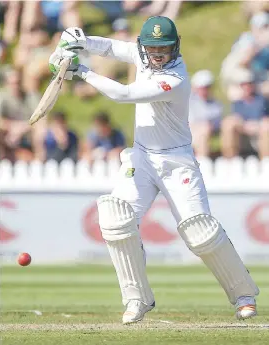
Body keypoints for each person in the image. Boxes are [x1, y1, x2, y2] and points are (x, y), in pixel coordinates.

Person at [49, 17, 259, 324]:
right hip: (142, 158)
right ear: (144, 47)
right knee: (115, 217)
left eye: (164, 48)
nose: (158, 54)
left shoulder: (175, 79)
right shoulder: (140, 53)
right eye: (152, 48)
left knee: (200, 231)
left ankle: (243, 295)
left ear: (176, 47)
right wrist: (77, 39)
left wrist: (81, 70)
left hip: (177, 162)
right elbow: (109, 46)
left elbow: (124, 94)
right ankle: (137, 298)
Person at [221, 70, 269, 159]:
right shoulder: (237, 103)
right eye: (244, 84)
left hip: (259, 129)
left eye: (249, 84)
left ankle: (266, 161)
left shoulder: (262, 101)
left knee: (266, 126)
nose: (247, 87)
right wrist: (245, 126)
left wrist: (256, 125)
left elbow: (265, 118)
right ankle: (229, 159)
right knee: (228, 123)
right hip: (243, 130)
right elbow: (236, 119)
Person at [189, 70, 223, 157]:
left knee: (204, 130)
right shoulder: (187, 101)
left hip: (203, 133)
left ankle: (202, 160)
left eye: (207, 87)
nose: (204, 90)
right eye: (201, 88)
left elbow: (215, 124)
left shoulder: (215, 105)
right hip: (188, 132)